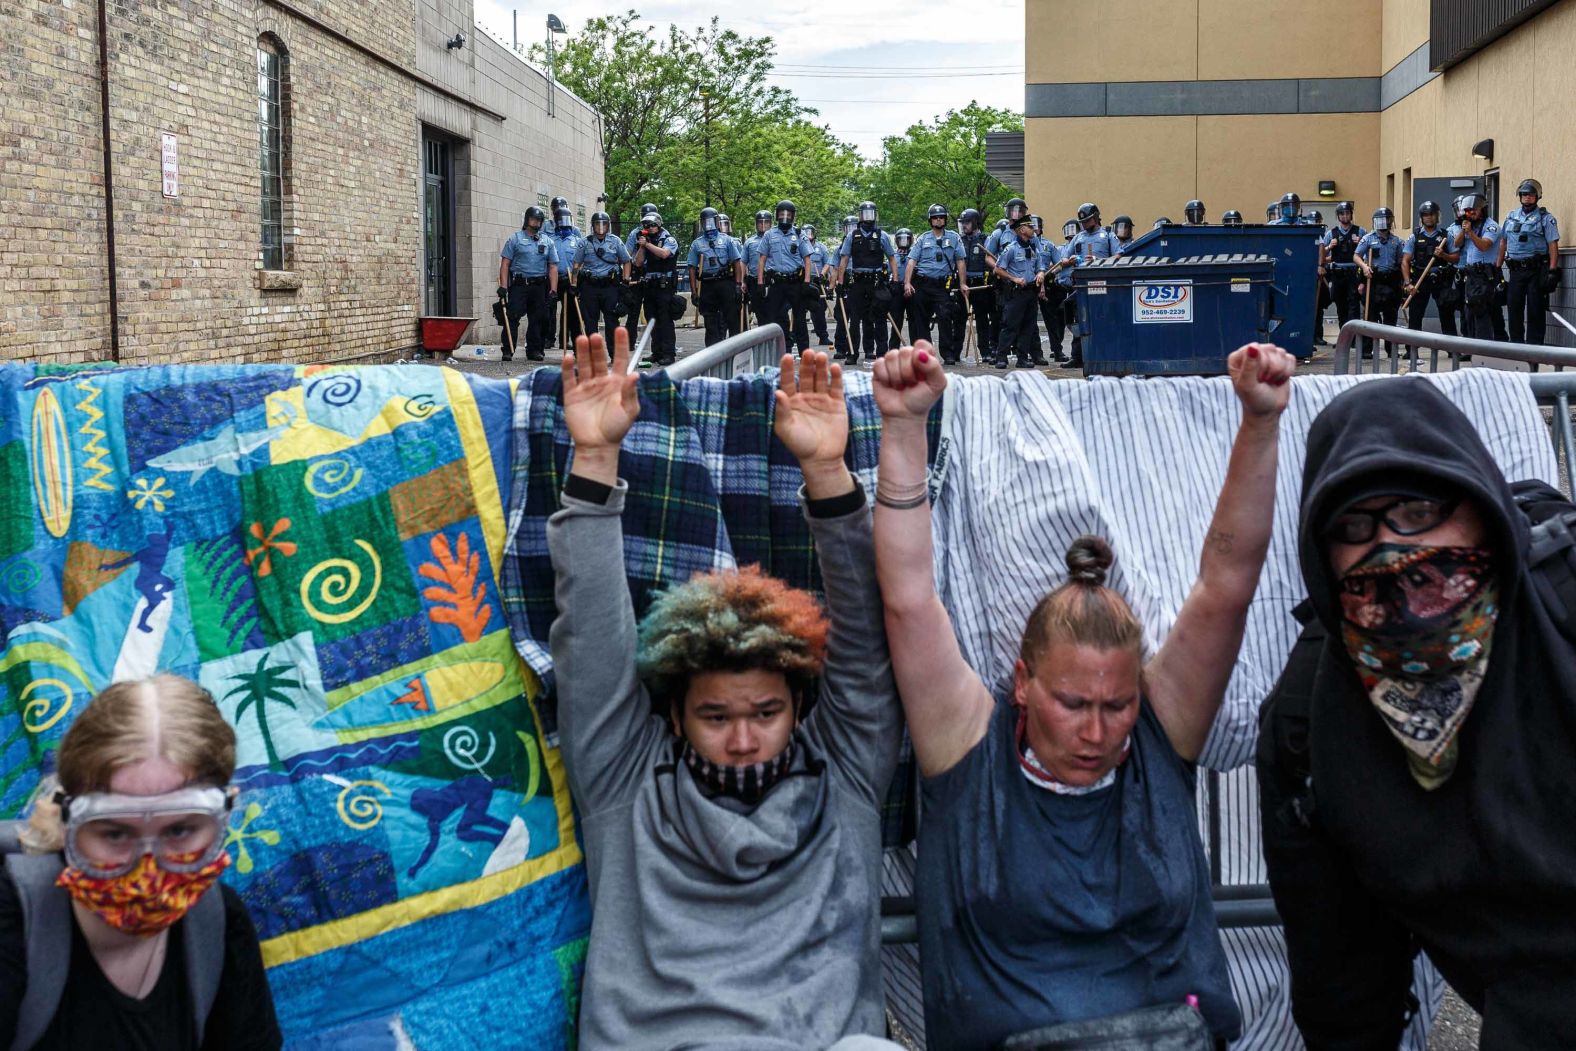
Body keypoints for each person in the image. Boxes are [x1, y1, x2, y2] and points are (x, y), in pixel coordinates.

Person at [872, 340, 1295, 1050]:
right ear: (1023, 683)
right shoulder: (965, 745)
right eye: (1072, 704)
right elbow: (910, 598)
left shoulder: (1160, 739)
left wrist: (1260, 420)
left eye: (1117, 706)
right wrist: (905, 425)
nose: (1098, 733)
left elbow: (1228, 584)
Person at [550, 329, 904, 1050]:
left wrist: (829, 471)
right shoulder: (623, 779)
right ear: (674, 717)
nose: (743, 738)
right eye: (716, 715)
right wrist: (593, 457)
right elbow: (589, 634)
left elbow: (868, 641)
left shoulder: (846, 771)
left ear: (798, 706)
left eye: (765, 713)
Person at [1257, 378, 1576, 1049]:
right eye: (1354, 527)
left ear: (1482, 509)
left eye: (1419, 511)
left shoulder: (1564, 606)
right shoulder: (1311, 723)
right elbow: (1343, 978)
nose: (1392, 552)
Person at [1, 675, 282, 1050]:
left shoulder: (219, 924)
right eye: (115, 834)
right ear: (67, 822)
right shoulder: (11, 926)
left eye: (181, 829)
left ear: (223, 820)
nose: (147, 871)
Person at [1501, 177, 1561, 348]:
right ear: (1520, 196)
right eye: (1524, 194)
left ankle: (1535, 348)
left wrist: (1552, 270)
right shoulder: (1511, 216)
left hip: (1536, 270)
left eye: (1531, 195)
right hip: (1515, 270)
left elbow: (1552, 244)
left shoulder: (1546, 218)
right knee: (1514, 308)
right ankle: (1517, 346)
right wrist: (1498, 267)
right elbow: (1503, 242)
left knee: (1536, 309)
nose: (1527, 197)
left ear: (1537, 197)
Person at [905, 204, 969, 365]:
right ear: (930, 220)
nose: (938, 220)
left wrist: (962, 283)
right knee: (921, 320)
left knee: (945, 317)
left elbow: (960, 261)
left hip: (942, 285)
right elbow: (912, 261)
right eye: (935, 217)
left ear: (945, 219)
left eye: (941, 217)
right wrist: (907, 283)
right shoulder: (923, 238)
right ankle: (926, 353)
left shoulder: (954, 238)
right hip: (923, 283)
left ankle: (947, 353)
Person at [835, 201, 897, 362]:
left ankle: (880, 352)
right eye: (865, 214)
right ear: (860, 216)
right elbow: (844, 260)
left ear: (875, 215)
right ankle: (852, 353)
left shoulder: (882, 235)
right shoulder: (852, 236)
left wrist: (895, 280)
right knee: (855, 320)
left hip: (876, 283)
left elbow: (891, 258)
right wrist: (840, 283)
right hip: (858, 282)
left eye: (871, 214)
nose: (868, 217)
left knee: (879, 318)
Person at [497, 205, 560, 362]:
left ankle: (534, 350)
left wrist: (553, 290)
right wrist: (503, 286)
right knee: (512, 317)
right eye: (533, 219)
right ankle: (508, 349)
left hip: (539, 285)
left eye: (539, 220)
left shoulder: (547, 241)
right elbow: (505, 263)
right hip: (519, 285)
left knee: (539, 319)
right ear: (526, 220)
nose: (536, 222)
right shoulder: (515, 239)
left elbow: (553, 266)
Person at [757, 199, 813, 354]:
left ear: (793, 216)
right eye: (782, 214)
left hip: (795, 282)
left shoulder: (799, 234)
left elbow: (807, 259)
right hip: (776, 283)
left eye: (788, 215)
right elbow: (762, 259)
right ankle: (780, 351)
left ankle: (804, 352)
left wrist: (807, 281)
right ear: (777, 215)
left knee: (800, 318)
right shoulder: (769, 235)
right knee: (775, 318)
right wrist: (760, 282)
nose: (785, 217)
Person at [572, 210, 632, 352]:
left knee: (612, 320)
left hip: (609, 286)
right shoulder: (584, 243)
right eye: (597, 224)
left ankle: (613, 352)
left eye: (603, 224)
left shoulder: (615, 241)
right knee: (590, 322)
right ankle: (594, 353)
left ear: (608, 225)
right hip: (589, 286)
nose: (600, 227)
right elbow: (576, 264)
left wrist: (626, 281)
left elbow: (627, 261)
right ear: (592, 226)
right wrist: (574, 284)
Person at [687, 206, 745, 347]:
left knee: (732, 319)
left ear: (717, 222)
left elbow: (737, 262)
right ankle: (712, 352)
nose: (709, 225)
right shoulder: (697, 244)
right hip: (707, 285)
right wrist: (694, 292)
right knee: (710, 322)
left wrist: (738, 285)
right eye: (706, 222)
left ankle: (735, 350)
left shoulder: (728, 241)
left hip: (726, 282)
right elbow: (692, 268)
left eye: (712, 222)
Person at [991, 216, 1044, 369]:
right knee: (1010, 326)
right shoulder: (1011, 248)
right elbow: (998, 269)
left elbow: (1040, 266)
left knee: (1028, 326)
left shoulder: (1033, 248)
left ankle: (1022, 358)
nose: (1033, 228)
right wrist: (1014, 279)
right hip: (1016, 293)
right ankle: (1001, 357)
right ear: (1021, 230)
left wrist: (1040, 273)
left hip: (1031, 292)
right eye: (1029, 226)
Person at [1402, 200, 1458, 341]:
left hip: (1441, 279)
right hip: (1420, 279)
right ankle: (1412, 348)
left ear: (1437, 216)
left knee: (1446, 314)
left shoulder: (1446, 236)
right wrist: (1408, 283)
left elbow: (1456, 258)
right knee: (1415, 314)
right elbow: (1405, 261)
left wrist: (1444, 255)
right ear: (1421, 217)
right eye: (1426, 215)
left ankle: (1451, 347)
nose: (1429, 217)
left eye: (1432, 214)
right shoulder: (1414, 237)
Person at [1453, 193, 1504, 342]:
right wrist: (1464, 230)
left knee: (1481, 310)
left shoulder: (1491, 226)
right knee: (1469, 312)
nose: (1470, 214)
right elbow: (1457, 244)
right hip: (1471, 274)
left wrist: (1470, 233)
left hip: (1485, 274)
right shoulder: (1470, 226)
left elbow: (1484, 246)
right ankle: (1472, 346)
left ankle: (1485, 348)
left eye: (1474, 210)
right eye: (1467, 211)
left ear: (1482, 210)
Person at [1356, 207, 1405, 358]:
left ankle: (1391, 350)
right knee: (1370, 317)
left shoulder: (1396, 241)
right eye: (1381, 220)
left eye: (1387, 220)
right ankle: (1367, 349)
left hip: (1391, 281)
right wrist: (1364, 267)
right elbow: (1357, 255)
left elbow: (1401, 261)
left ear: (1391, 221)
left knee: (1391, 318)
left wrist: (1403, 282)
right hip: (1374, 280)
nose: (1384, 223)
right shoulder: (1368, 239)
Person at [633, 212, 680, 366]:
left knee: (665, 321)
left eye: (652, 225)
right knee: (652, 320)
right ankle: (656, 352)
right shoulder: (645, 242)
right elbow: (638, 263)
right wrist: (642, 246)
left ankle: (668, 353)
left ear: (659, 224)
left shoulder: (668, 239)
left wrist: (647, 245)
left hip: (664, 287)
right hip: (650, 287)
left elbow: (665, 254)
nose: (650, 228)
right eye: (647, 225)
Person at [954, 207, 997, 362]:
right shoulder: (958, 241)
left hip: (981, 285)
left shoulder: (986, 240)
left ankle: (985, 352)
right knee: (959, 319)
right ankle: (954, 352)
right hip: (963, 285)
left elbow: (993, 259)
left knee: (982, 320)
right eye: (962, 223)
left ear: (976, 223)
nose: (964, 226)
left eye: (967, 223)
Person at [1320, 201, 1367, 340]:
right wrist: (1329, 247)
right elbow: (1322, 255)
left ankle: (1354, 338)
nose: (1345, 216)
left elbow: (1367, 252)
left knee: (1353, 305)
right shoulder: (1331, 233)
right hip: (1337, 273)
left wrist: (1360, 242)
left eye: (1347, 213)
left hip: (1354, 272)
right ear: (1338, 216)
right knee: (1341, 306)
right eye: (1342, 213)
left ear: (1351, 214)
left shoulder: (1361, 231)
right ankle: (1343, 338)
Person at [547, 196, 585, 349]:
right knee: (549, 309)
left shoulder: (575, 233)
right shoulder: (548, 231)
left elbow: (581, 254)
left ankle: (566, 340)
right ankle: (548, 339)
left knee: (570, 311)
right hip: (553, 278)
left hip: (570, 277)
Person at [802, 224, 834, 349]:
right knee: (799, 309)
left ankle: (823, 336)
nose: (809, 235)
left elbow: (827, 262)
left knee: (819, 309)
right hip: (804, 280)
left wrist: (822, 274)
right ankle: (795, 336)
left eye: (811, 232)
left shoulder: (821, 248)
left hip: (817, 281)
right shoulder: (800, 246)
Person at [832, 215, 858, 361]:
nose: (851, 231)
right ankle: (840, 348)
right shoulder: (840, 248)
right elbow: (835, 269)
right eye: (849, 228)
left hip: (859, 283)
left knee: (856, 319)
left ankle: (854, 348)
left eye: (854, 227)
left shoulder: (862, 245)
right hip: (844, 281)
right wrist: (831, 286)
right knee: (842, 318)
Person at [743, 209, 771, 327]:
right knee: (759, 311)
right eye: (760, 222)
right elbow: (743, 262)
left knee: (775, 311)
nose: (763, 225)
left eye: (766, 222)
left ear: (771, 223)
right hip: (755, 280)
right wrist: (743, 281)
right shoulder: (750, 242)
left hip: (772, 280)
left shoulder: (775, 239)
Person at [888, 228, 914, 350]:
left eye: (906, 239)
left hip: (912, 289)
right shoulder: (892, 256)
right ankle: (893, 348)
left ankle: (916, 347)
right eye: (901, 239)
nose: (904, 242)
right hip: (897, 291)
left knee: (915, 320)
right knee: (896, 320)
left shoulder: (915, 255)